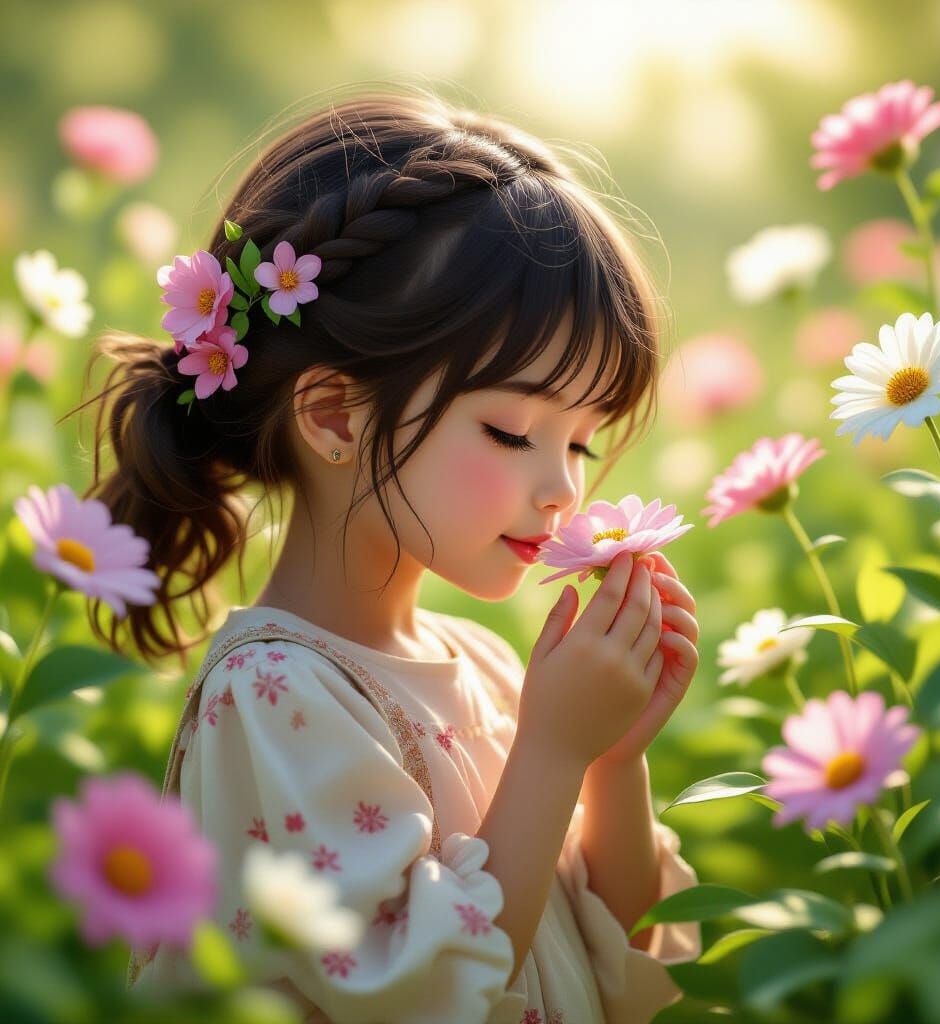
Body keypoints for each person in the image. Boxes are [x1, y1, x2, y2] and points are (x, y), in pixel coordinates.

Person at [75, 87, 702, 1024]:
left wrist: (610, 766)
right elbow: (413, 993)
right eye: (510, 430)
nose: (565, 489)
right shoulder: (273, 691)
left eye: (580, 441)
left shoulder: (488, 666)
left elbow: (625, 974)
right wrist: (552, 751)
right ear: (334, 415)